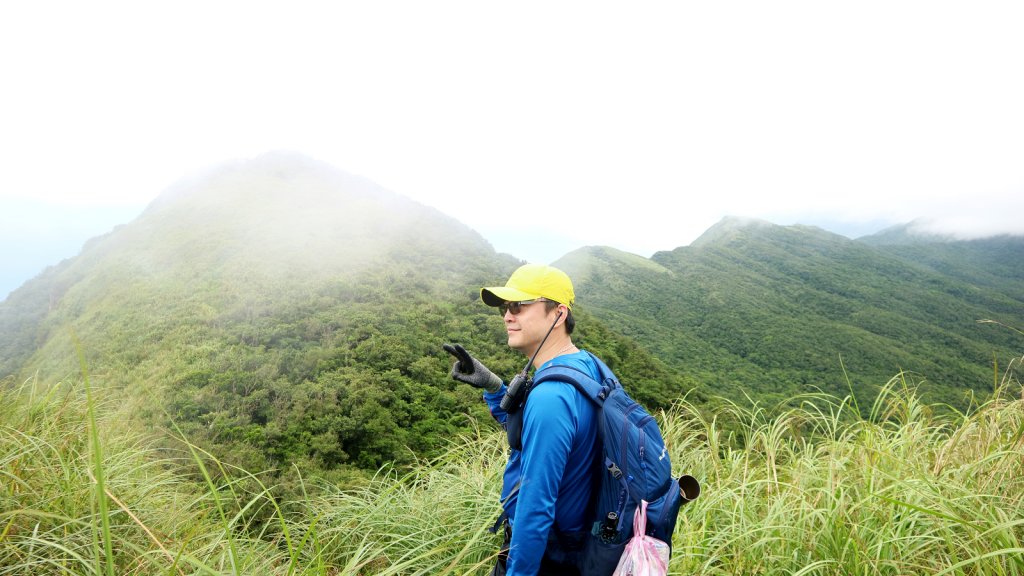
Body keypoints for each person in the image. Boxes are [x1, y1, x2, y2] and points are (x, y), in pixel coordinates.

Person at [445, 264, 602, 576]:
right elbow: (537, 434)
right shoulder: (586, 365)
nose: (507, 316)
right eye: (505, 307)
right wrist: (495, 388)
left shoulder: (552, 397)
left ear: (558, 314)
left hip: (548, 557)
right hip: (578, 545)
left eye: (518, 306)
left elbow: (535, 511)